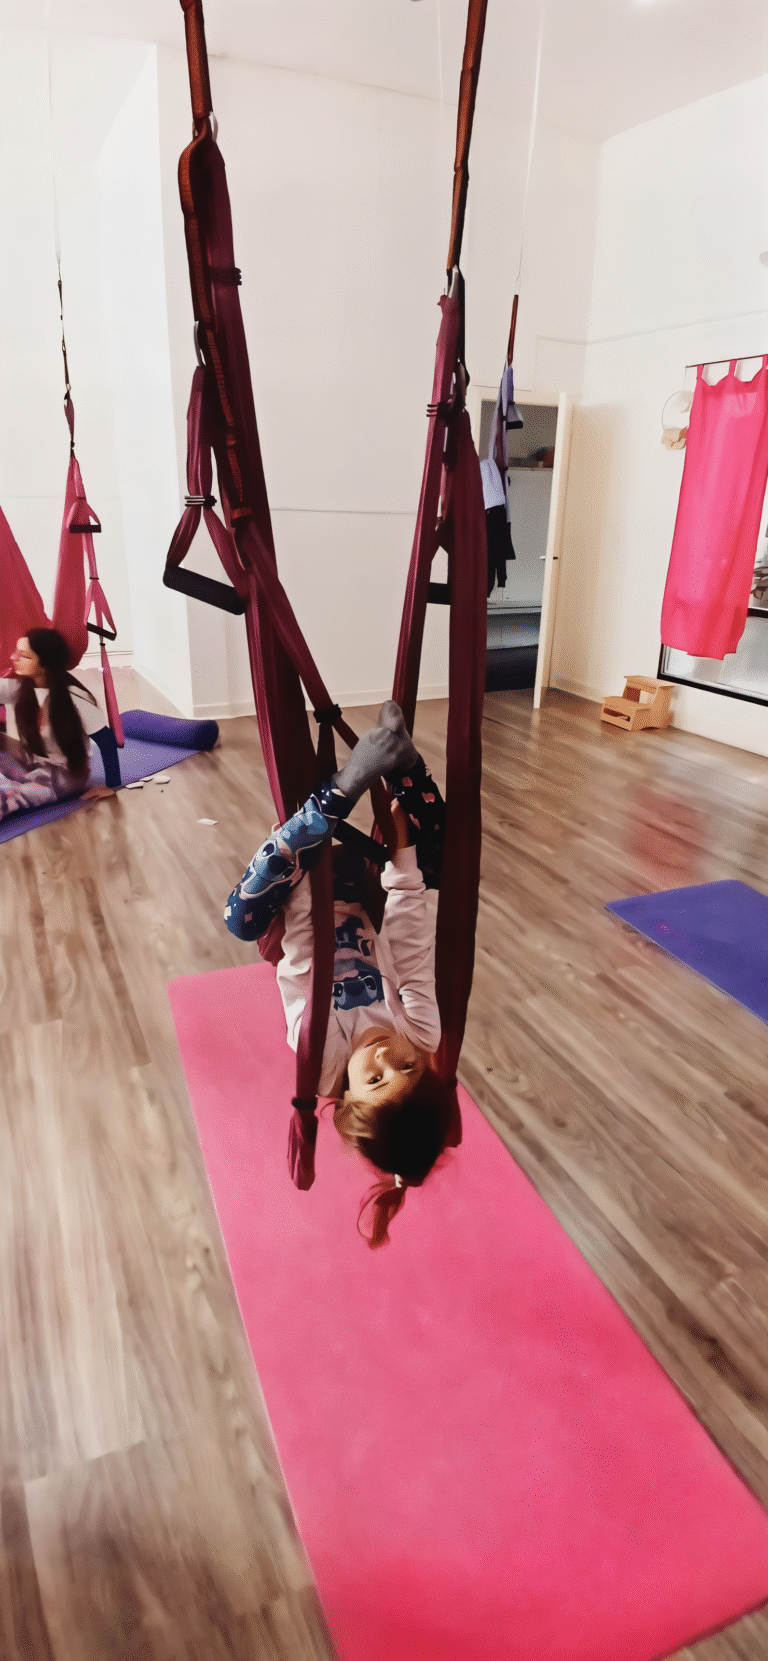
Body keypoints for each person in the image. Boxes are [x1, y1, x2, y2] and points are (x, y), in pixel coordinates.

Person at [224, 701, 457, 1245]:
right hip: (356, 894)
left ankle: (343, 788)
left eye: (375, 1079)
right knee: (443, 859)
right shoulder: (421, 1034)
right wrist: (403, 856)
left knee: (239, 919)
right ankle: (401, 760)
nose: (385, 1056)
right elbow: (412, 948)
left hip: (293, 907)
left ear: (348, 1099)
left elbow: (307, 956)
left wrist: (307, 863)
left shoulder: (323, 1062)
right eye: (406, 1067)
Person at [0, 628, 112, 819]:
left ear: (45, 665)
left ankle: (12, 789)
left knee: (6, 799)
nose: (14, 658)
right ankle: (12, 784)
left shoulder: (75, 699)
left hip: (64, 777)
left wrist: (112, 785)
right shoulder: (21, 687)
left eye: (24, 656)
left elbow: (107, 741)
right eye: (16, 652)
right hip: (32, 761)